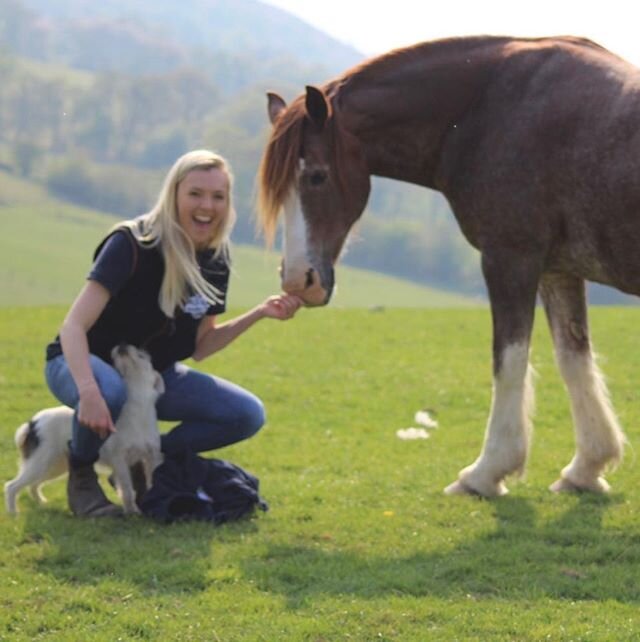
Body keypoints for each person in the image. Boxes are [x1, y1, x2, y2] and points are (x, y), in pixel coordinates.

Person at [45, 149, 303, 517]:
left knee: (246, 414)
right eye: (195, 193)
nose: (207, 205)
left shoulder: (216, 260)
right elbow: (72, 327)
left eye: (218, 196)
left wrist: (259, 314)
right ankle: (82, 471)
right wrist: (87, 390)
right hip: (81, 363)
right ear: (174, 195)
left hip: (154, 377)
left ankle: (150, 461)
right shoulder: (131, 243)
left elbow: (201, 345)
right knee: (110, 391)